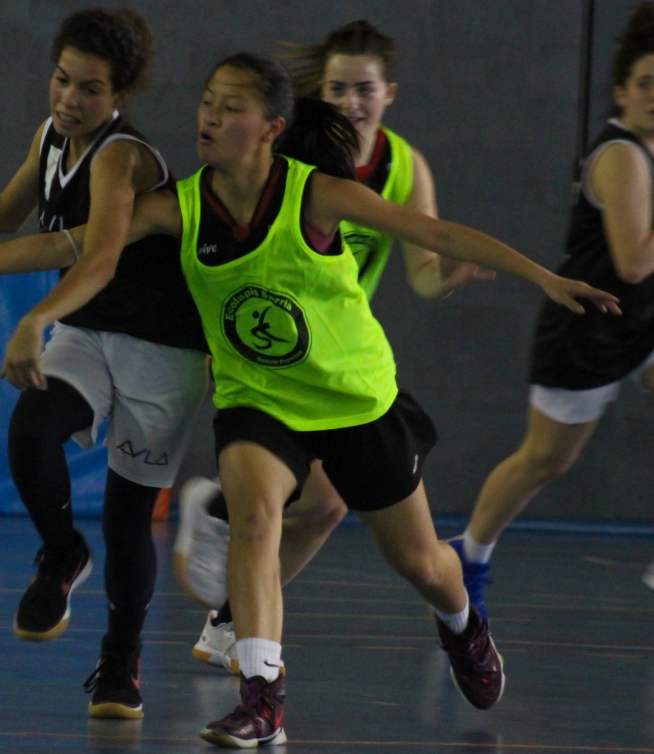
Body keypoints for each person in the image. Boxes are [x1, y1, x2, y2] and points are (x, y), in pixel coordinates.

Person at [0, 52, 618, 747]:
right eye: (206, 102)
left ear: (270, 129)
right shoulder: (179, 206)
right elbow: (71, 246)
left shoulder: (317, 194)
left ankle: (462, 626)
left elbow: (439, 234)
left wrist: (543, 278)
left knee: (422, 563)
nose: (210, 117)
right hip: (257, 399)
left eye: (231, 108)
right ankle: (263, 697)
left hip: (352, 397)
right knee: (255, 520)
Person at [0, 8, 211, 720]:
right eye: (62, 79)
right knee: (30, 431)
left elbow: (97, 257)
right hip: (87, 328)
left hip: (162, 345)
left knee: (126, 516)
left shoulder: (121, 157)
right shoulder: (51, 136)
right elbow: (4, 211)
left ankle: (121, 660)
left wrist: (32, 318)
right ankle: (60, 553)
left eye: (90, 89)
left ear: (120, 96)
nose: (69, 99)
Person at [175, 20, 495, 673]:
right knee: (280, 505)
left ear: (389, 93)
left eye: (364, 88)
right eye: (338, 87)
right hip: (271, 359)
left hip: (339, 366)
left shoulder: (404, 168)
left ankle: (231, 615)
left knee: (329, 507)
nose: (352, 100)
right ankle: (224, 541)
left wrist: (448, 276)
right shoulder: (296, 156)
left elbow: (422, 272)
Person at [453, 3, 654, 612]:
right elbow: (635, 263)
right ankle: (468, 555)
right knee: (545, 461)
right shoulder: (621, 156)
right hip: (587, 332)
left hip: (641, 328)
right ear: (621, 92)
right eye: (646, 83)